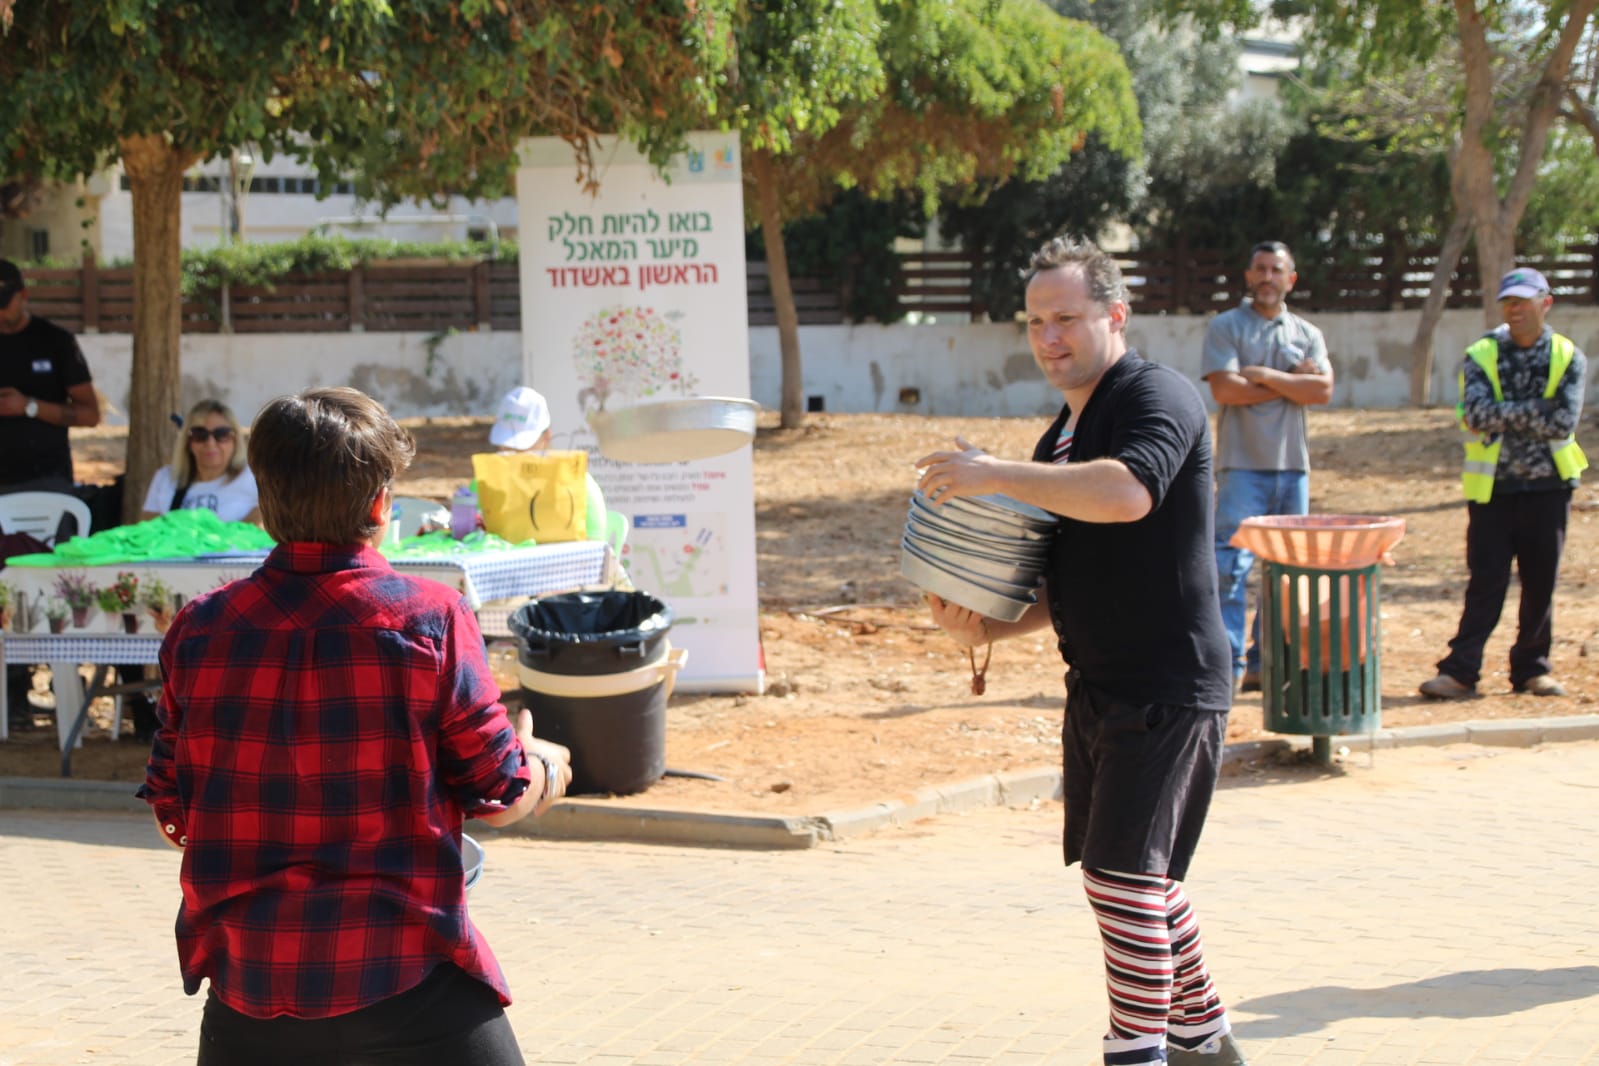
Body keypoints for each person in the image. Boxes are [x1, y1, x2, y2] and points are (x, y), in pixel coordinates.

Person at [139, 386, 573, 1066]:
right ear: (379, 504)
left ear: (266, 494)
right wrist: (545, 766)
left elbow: (175, 813)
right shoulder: (430, 618)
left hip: (249, 990)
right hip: (402, 974)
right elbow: (498, 793)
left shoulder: (200, 630)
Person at [915, 237, 1245, 1066]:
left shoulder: (1157, 395)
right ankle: (1202, 1038)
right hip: (1097, 683)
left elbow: (1128, 493)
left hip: (1169, 682)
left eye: (1065, 318)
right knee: (1145, 881)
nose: (1048, 337)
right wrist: (985, 625)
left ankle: (1134, 1053)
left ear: (1114, 316)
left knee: (1121, 880)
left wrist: (991, 474)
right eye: (1034, 322)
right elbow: (1059, 581)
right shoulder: (1056, 442)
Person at [1419, 267, 1588, 700]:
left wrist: (1505, 412)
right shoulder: (1483, 352)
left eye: (1523, 301)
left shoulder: (1568, 355)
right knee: (1485, 583)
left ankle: (1532, 670)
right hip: (1493, 490)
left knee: (1540, 584)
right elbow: (1474, 414)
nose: (1513, 309)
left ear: (1545, 302)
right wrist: (1533, 411)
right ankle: (1460, 672)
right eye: (1507, 301)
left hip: (1550, 488)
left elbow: (1562, 422)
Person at [1201, 241, 1333, 692]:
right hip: (1241, 468)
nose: (1268, 277)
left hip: (1293, 469)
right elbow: (1225, 391)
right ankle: (1230, 664)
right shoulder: (1226, 327)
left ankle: (1267, 662)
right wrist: (1295, 382)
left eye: (1277, 270)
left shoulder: (1307, 332)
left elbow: (1323, 392)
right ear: (1247, 275)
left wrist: (1263, 375)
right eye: (1260, 269)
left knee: (1286, 573)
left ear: (1290, 279)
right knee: (1229, 569)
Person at [1, 257, 102, 728]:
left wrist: (30, 407)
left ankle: (65, 685)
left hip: (48, 487)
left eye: (5, 303)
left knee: (51, 587)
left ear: (23, 295)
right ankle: (12, 693)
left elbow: (89, 414)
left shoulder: (55, 342)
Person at [485, 385, 607, 541]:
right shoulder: (487, 482)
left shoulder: (578, 484)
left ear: (546, 438)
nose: (511, 452)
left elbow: (596, 548)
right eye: (505, 445)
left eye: (522, 446)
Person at [139, 398, 261, 524]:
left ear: (235, 440)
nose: (210, 443)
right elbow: (147, 533)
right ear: (188, 441)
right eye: (200, 434)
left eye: (221, 434)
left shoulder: (256, 479)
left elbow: (264, 528)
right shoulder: (165, 478)